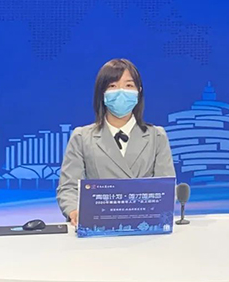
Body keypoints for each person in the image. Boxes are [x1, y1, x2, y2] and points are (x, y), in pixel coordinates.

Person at [56, 59, 176, 225]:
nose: (121, 92)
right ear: (102, 93)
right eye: (112, 86)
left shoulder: (157, 136)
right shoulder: (81, 137)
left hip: (145, 227)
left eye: (128, 85)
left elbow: (166, 188)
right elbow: (68, 188)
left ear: (139, 91)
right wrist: (74, 211)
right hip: (98, 225)